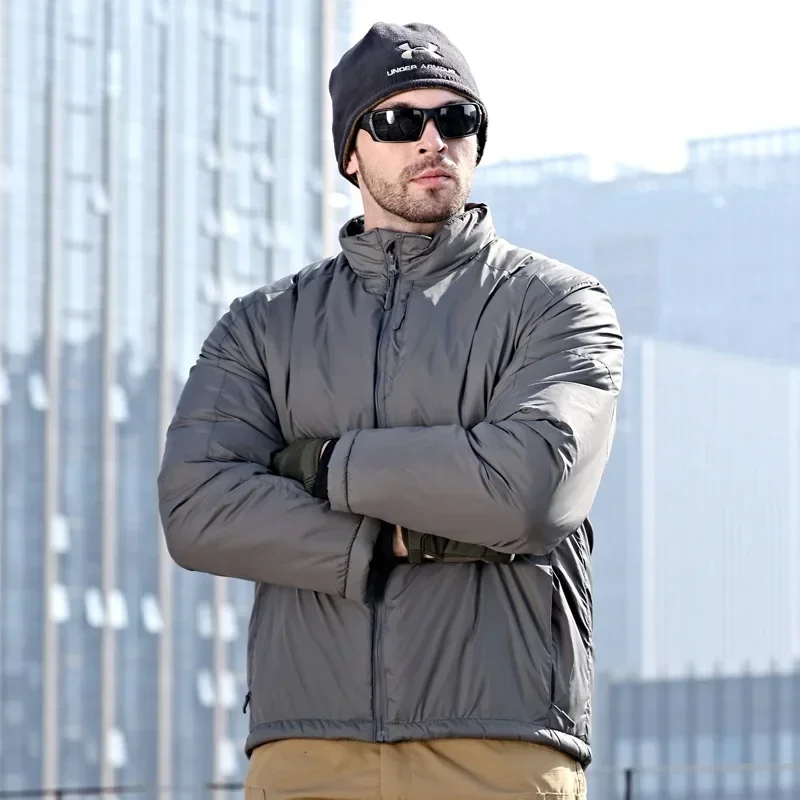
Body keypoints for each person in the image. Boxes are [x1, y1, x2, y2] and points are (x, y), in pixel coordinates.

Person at [158, 20, 623, 800]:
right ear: (351, 152)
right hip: (307, 751)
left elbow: (531, 490)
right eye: (400, 120)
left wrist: (320, 464)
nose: (433, 140)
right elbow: (197, 507)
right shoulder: (263, 326)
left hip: (500, 746)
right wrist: (385, 543)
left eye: (456, 118)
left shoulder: (558, 305)